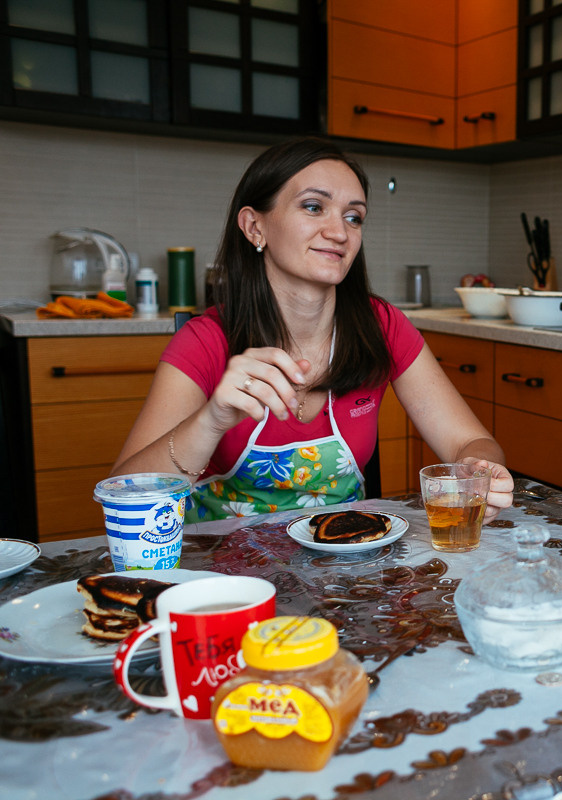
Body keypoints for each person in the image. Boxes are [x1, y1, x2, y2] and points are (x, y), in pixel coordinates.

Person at [112, 137, 513, 522]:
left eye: (353, 217)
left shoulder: (382, 326)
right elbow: (122, 495)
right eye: (313, 207)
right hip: (225, 581)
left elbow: (468, 442)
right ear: (255, 227)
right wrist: (211, 420)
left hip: (345, 565)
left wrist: (481, 469)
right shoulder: (206, 341)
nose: (340, 232)